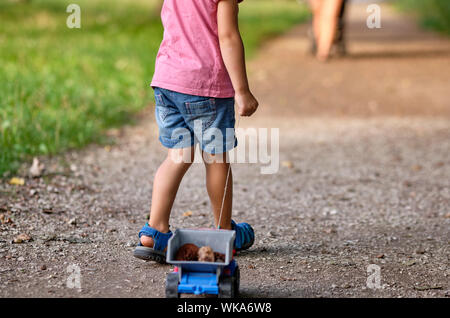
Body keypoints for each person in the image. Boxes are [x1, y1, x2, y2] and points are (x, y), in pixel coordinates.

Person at [133, 0, 259, 263]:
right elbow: (228, 36)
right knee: (216, 158)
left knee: (177, 156)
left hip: (167, 82)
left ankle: (154, 230)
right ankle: (224, 232)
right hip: (206, 86)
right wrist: (242, 91)